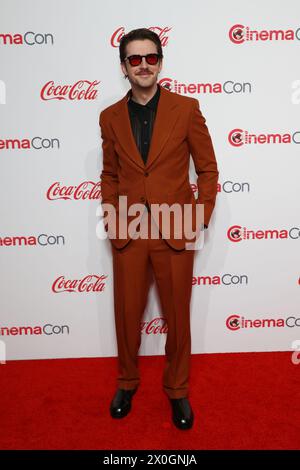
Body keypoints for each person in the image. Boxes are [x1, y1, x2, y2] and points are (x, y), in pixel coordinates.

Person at [99, 28, 219, 430]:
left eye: (150, 57)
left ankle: (178, 390)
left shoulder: (187, 109)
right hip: (129, 230)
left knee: (177, 317)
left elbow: (207, 168)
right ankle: (127, 382)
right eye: (135, 59)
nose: (144, 65)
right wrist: (112, 215)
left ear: (161, 62)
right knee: (126, 315)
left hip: (175, 229)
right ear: (124, 67)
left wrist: (199, 216)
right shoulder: (109, 117)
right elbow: (110, 173)